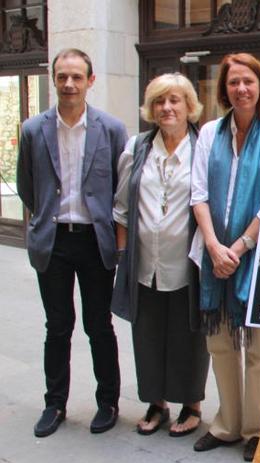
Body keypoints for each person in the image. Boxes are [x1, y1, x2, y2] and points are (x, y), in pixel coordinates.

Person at [17, 48, 127, 438]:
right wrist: (45, 221)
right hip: (54, 240)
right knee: (58, 325)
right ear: (54, 78)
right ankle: (54, 404)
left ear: (90, 81)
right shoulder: (34, 130)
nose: (68, 84)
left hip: (95, 243)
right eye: (62, 76)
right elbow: (27, 186)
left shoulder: (111, 129)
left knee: (99, 325)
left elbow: (120, 189)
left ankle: (108, 401)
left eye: (77, 77)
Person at [190, 53, 260, 462]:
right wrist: (212, 245)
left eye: (248, 81)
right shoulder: (210, 133)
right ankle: (226, 424)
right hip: (213, 256)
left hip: (257, 258)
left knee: (258, 349)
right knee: (221, 345)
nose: (241, 89)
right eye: (232, 82)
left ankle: (259, 430)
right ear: (224, 89)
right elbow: (199, 194)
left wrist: (240, 246)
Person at [111, 73, 209, 437]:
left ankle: (192, 404)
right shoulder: (137, 147)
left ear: (189, 106)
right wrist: (123, 253)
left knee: (189, 333)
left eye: (174, 100)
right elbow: (121, 207)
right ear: (151, 109)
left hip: (189, 262)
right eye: (159, 101)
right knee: (147, 333)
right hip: (144, 261)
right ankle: (156, 403)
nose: (166, 108)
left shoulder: (203, 148)